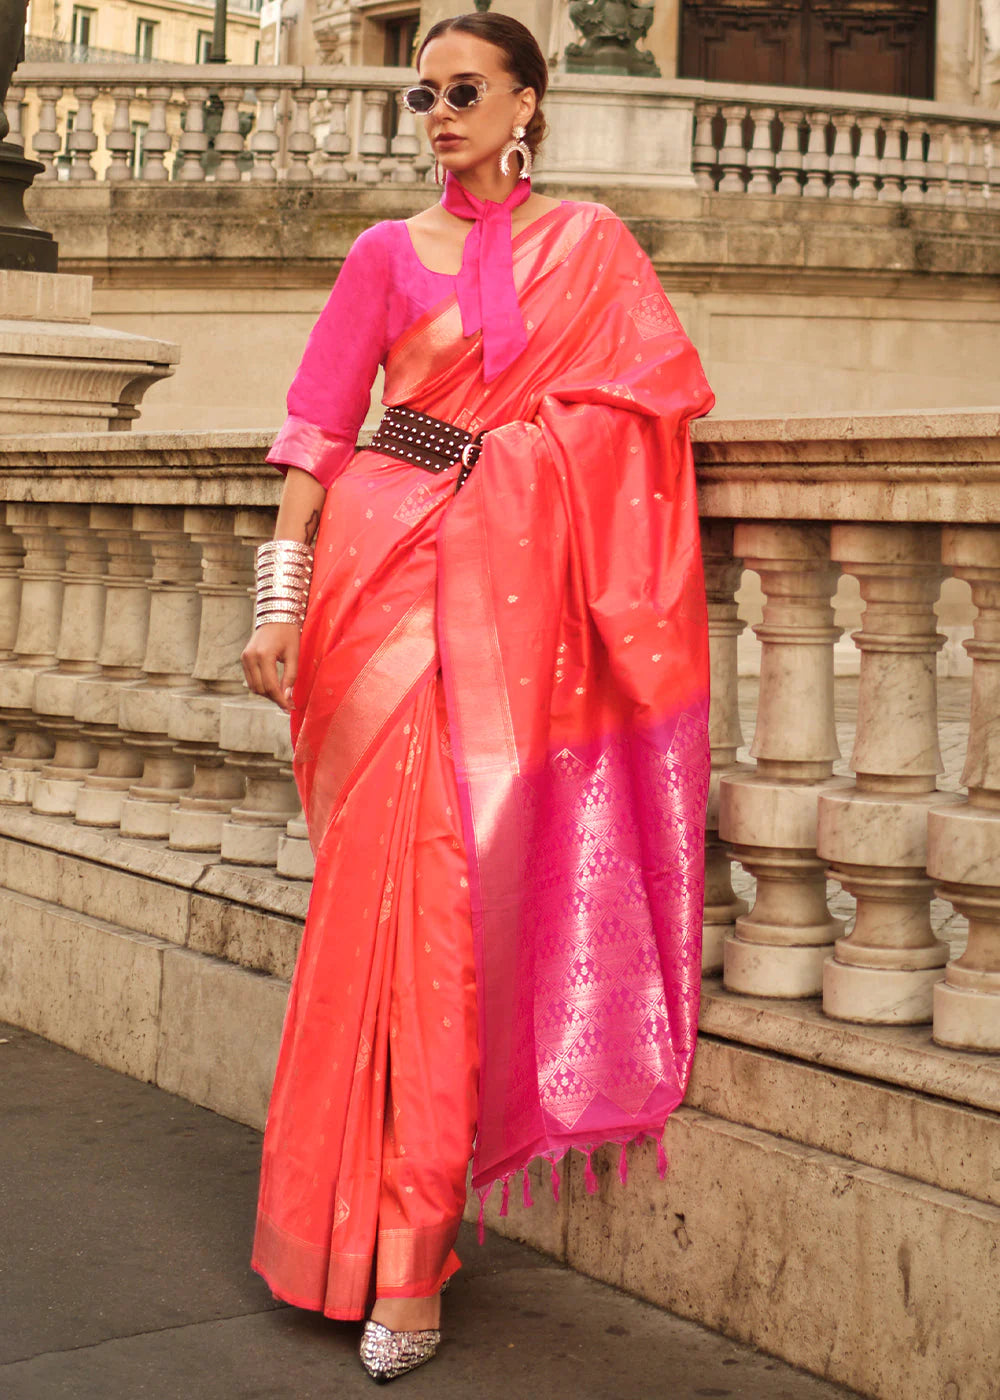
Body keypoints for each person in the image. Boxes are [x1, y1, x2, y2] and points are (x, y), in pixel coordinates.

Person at [241, 11, 714, 1384]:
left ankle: (408, 1252)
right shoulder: (384, 255)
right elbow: (318, 435)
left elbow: (647, 417)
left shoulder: (595, 251)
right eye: (421, 92)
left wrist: (520, 470)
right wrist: (279, 604)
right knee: (368, 925)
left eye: (463, 90)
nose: (437, 112)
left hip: (507, 616)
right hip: (375, 595)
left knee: (445, 933)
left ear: (526, 102)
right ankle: (346, 1234)